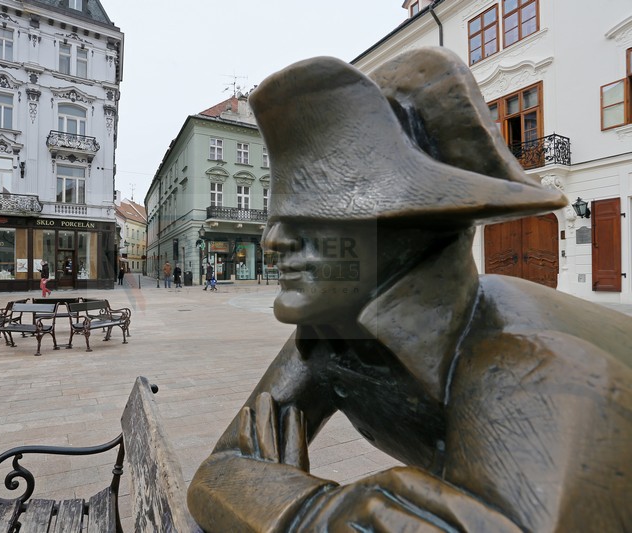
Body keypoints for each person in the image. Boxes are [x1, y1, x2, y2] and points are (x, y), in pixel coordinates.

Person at [187, 49, 632, 532]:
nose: (274, 240)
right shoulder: (331, 336)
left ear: (409, 228)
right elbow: (217, 471)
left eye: (314, 213)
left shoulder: (531, 364)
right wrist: (322, 512)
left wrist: (297, 506)